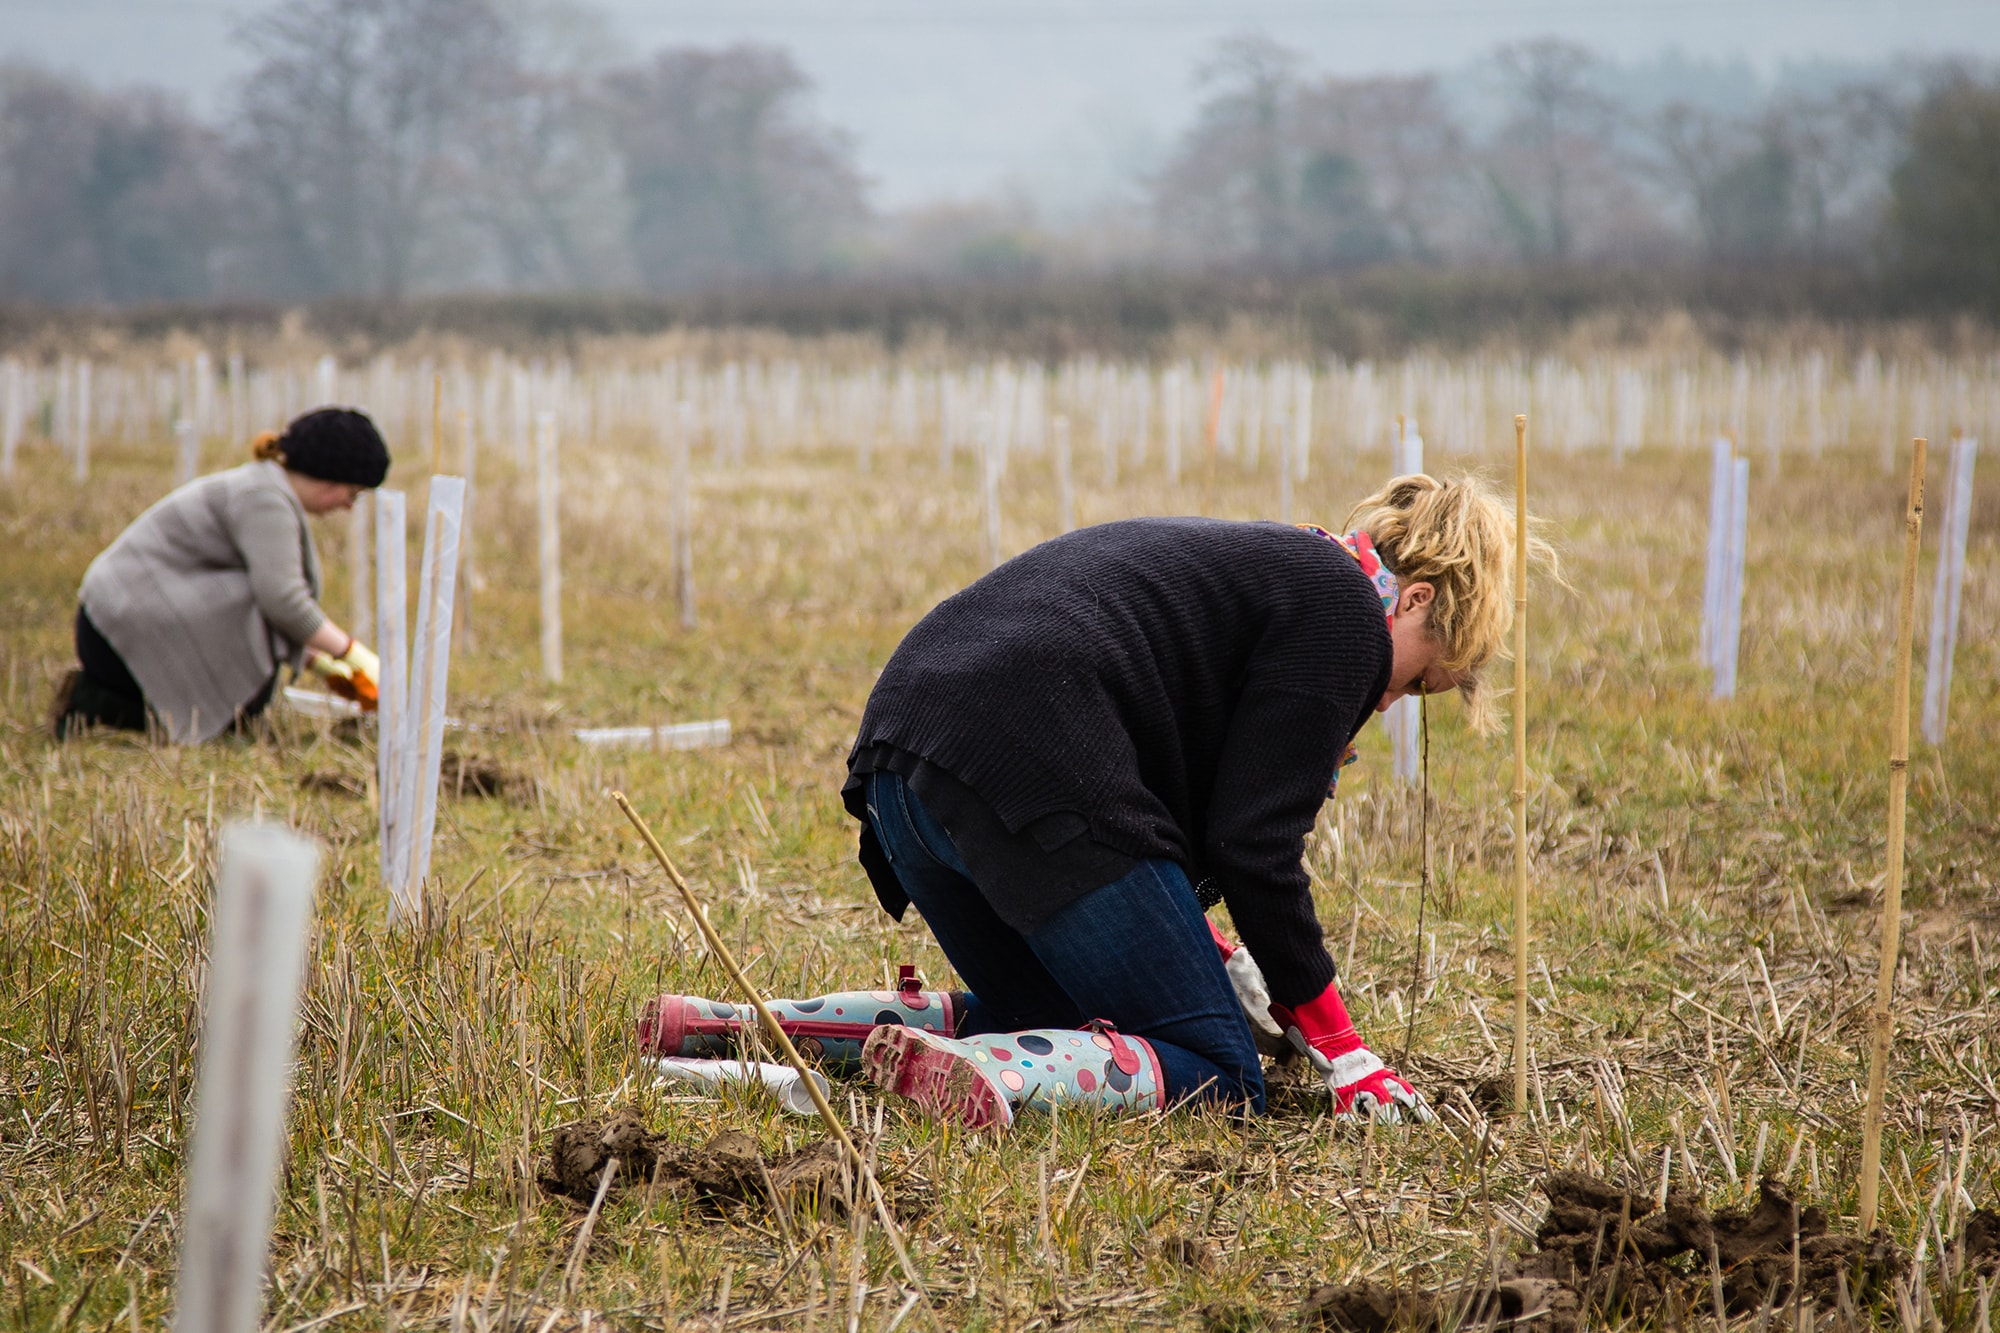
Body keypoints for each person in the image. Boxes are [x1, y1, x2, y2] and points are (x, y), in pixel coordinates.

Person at [639, 473, 1546, 1130]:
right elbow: (1254, 842)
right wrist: (1338, 1042)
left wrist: (1207, 946)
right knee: (1224, 1069)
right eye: (1419, 679)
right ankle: (968, 1071)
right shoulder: (1345, 614)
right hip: (1030, 765)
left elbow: (1183, 816)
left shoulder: (1277, 571)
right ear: (1415, 599)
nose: (1389, 703)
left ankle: (729, 1033)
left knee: (1052, 1016)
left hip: (906, 759)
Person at [53, 407, 390, 743]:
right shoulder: (264, 499)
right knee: (253, 602)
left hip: (118, 625)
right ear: (329, 475)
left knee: (253, 606)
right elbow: (283, 602)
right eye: (353, 494)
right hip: (118, 630)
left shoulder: (266, 487)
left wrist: (326, 666)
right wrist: (355, 656)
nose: (349, 506)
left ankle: (126, 709)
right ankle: (98, 705)